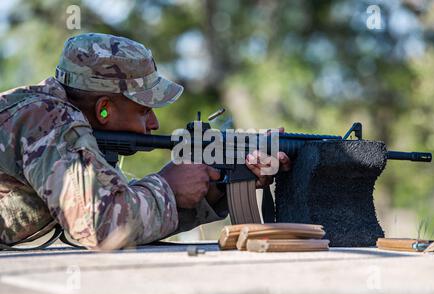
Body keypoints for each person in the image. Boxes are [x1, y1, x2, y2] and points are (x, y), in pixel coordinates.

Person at [0, 33, 291, 250]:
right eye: (144, 110)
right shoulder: (48, 119)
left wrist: (219, 184)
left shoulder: (51, 119)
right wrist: (168, 186)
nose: (154, 123)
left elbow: (119, 208)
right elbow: (99, 224)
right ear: (104, 108)